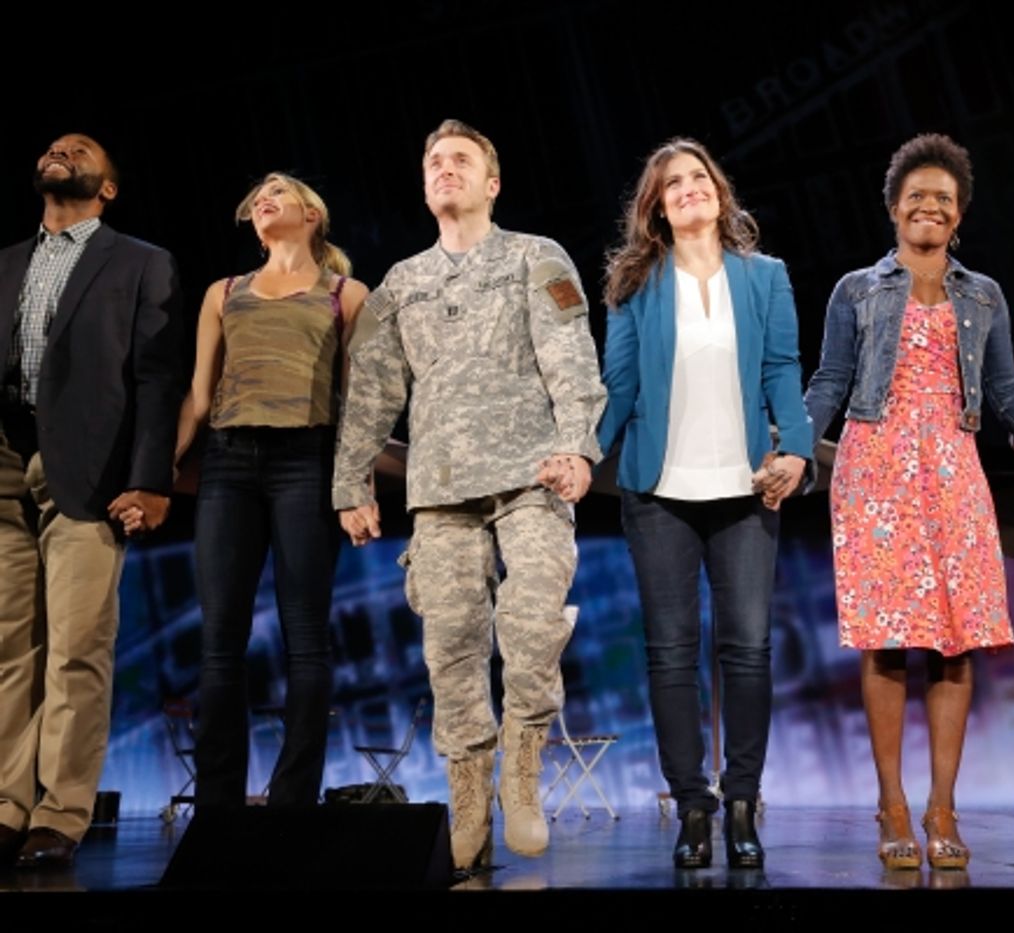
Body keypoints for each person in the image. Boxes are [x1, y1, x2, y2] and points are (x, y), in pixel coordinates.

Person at [803, 133, 1014, 871]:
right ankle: (893, 803)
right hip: (875, 470)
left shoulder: (983, 293)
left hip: (955, 471)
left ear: (958, 215)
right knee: (888, 637)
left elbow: (1004, 393)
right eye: (916, 195)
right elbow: (830, 382)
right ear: (894, 208)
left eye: (944, 197)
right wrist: (792, 448)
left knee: (957, 639)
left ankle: (942, 804)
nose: (929, 205)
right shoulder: (856, 290)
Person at [332, 120, 605, 871]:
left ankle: (522, 759)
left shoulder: (533, 257)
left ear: (492, 183)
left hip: (532, 475)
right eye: (434, 162)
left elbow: (570, 355)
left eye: (461, 160)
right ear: (425, 187)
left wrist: (579, 444)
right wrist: (350, 480)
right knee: (450, 641)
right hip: (442, 487)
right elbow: (372, 393)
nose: (444, 169)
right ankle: (467, 793)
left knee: (531, 617)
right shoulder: (402, 284)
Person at [596, 137, 811, 870]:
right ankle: (693, 803)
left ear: (718, 192)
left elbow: (784, 369)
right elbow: (618, 387)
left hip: (747, 487)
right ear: (657, 205)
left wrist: (798, 450)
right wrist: (581, 451)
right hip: (659, 490)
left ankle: (743, 801)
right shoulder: (634, 282)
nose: (688, 188)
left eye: (698, 177)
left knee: (748, 649)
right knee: (671, 654)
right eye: (672, 182)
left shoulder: (766, 277)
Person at [0, 133, 183, 867]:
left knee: (78, 647)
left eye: (80, 149)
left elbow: (157, 379)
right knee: (11, 650)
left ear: (106, 187)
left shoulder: (138, 260)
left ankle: (61, 810)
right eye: (52, 145)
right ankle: (7, 803)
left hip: (92, 472)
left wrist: (150, 478)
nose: (61, 149)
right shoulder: (7, 261)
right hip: (6, 463)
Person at [172, 172, 367, 809]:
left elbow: (360, 404)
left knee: (306, 637)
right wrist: (157, 474)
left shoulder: (347, 294)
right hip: (229, 464)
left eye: (279, 191)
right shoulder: (223, 293)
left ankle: (291, 801)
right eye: (258, 194)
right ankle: (218, 805)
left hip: (306, 462)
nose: (265, 197)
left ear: (313, 215)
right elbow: (200, 398)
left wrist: (355, 485)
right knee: (219, 640)